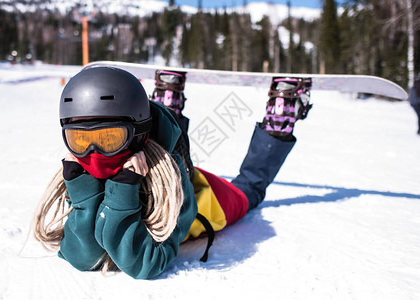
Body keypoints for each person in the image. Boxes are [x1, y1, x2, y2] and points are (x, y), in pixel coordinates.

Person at [33, 66, 312, 279]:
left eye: (110, 139)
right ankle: (169, 102)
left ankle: (279, 121)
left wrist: (125, 188)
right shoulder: (83, 168)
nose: (94, 153)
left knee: (248, 190)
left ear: (137, 133)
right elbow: (81, 256)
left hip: (199, 201)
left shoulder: (170, 178)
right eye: (80, 140)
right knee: (166, 149)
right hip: (149, 162)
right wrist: (82, 193)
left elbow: (146, 265)